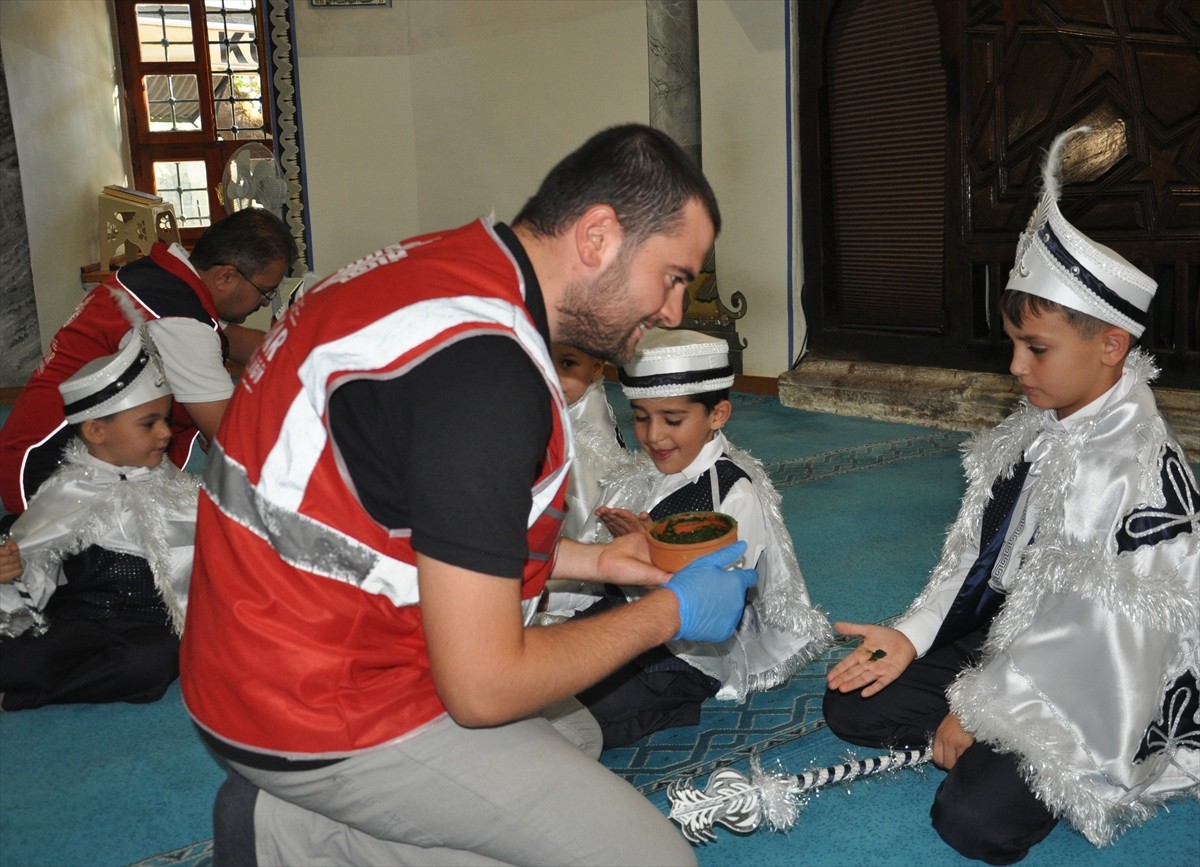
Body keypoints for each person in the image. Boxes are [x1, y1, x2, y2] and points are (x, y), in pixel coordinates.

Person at [180, 124, 760, 867]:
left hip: (255, 650)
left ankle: (293, 824)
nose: (674, 311)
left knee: (574, 733)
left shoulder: (453, 264)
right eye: (674, 275)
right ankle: (292, 835)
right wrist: (668, 612)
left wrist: (601, 563)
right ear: (599, 235)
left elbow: (405, 519)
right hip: (316, 704)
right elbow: (483, 686)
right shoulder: (487, 376)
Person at [822, 127, 1199, 864]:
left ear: (1111, 345)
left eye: (1037, 348)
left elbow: (1096, 645)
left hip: (1102, 681)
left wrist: (980, 706)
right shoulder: (1037, 427)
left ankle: (1006, 747)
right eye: (1012, 344)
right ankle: (976, 723)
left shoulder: (1132, 468)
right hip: (1018, 638)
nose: (1016, 366)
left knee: (975, 823)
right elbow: (977, 558)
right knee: (851, 703)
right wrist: (915, 633)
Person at [570, 328, 831, 747]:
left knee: (579, 718)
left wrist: (652, 553)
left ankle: (674, 705)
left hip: (687, 652)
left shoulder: (733, 491)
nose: (653, 435)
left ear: (717, 415)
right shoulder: (634, 477)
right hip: (621, 618)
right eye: (640, 416)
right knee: (539, 678)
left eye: (672, 420)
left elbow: (718, 603)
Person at [0, 207, 297, 515]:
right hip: (52, 477)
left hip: (52, 451)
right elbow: (233, 438)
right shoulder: (178, 321)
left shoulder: (166, 277)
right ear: (226, 276)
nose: (263, 303)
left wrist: (301, 349)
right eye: (265, 293)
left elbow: (228, 338)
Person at [0, 316, 198, 710]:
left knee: (152, 664)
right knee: (20, 658)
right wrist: (14, 571)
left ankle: (21, 700)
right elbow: (36, 563)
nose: (165, 434)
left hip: (150, 623)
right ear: (96, 431)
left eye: (165, 420)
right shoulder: (65, 490)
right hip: (79, 618)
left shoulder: (176, 488)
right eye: (149, 423)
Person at [552, 342, 627, 544]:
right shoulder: (577, 405)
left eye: (567, 363)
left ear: (596, 368)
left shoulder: (579, 436)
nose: (552, 375)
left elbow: (583, 507)